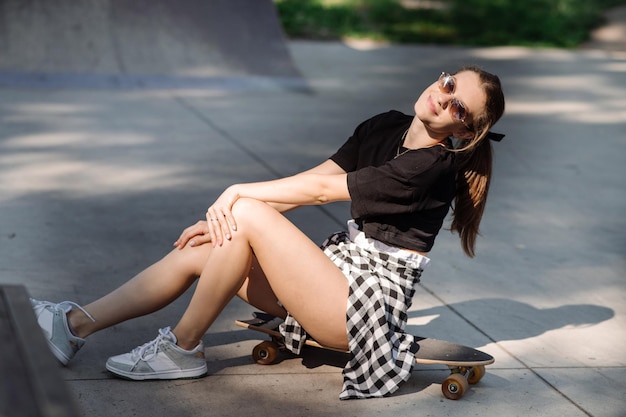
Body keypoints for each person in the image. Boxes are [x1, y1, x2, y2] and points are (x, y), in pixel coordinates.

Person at [31, 66, 505, 400]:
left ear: (467, 132)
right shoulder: (385, 126)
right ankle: (73, 326)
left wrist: (237, 194)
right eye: (448, 83)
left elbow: (322, 191)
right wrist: (221, 218)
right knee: (214, 241)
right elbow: (305, 183)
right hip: (330, 281)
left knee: (250, 213)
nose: (443, 97)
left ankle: (183, 347)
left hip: (362, 311)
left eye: (458, 106)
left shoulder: (433, 168)